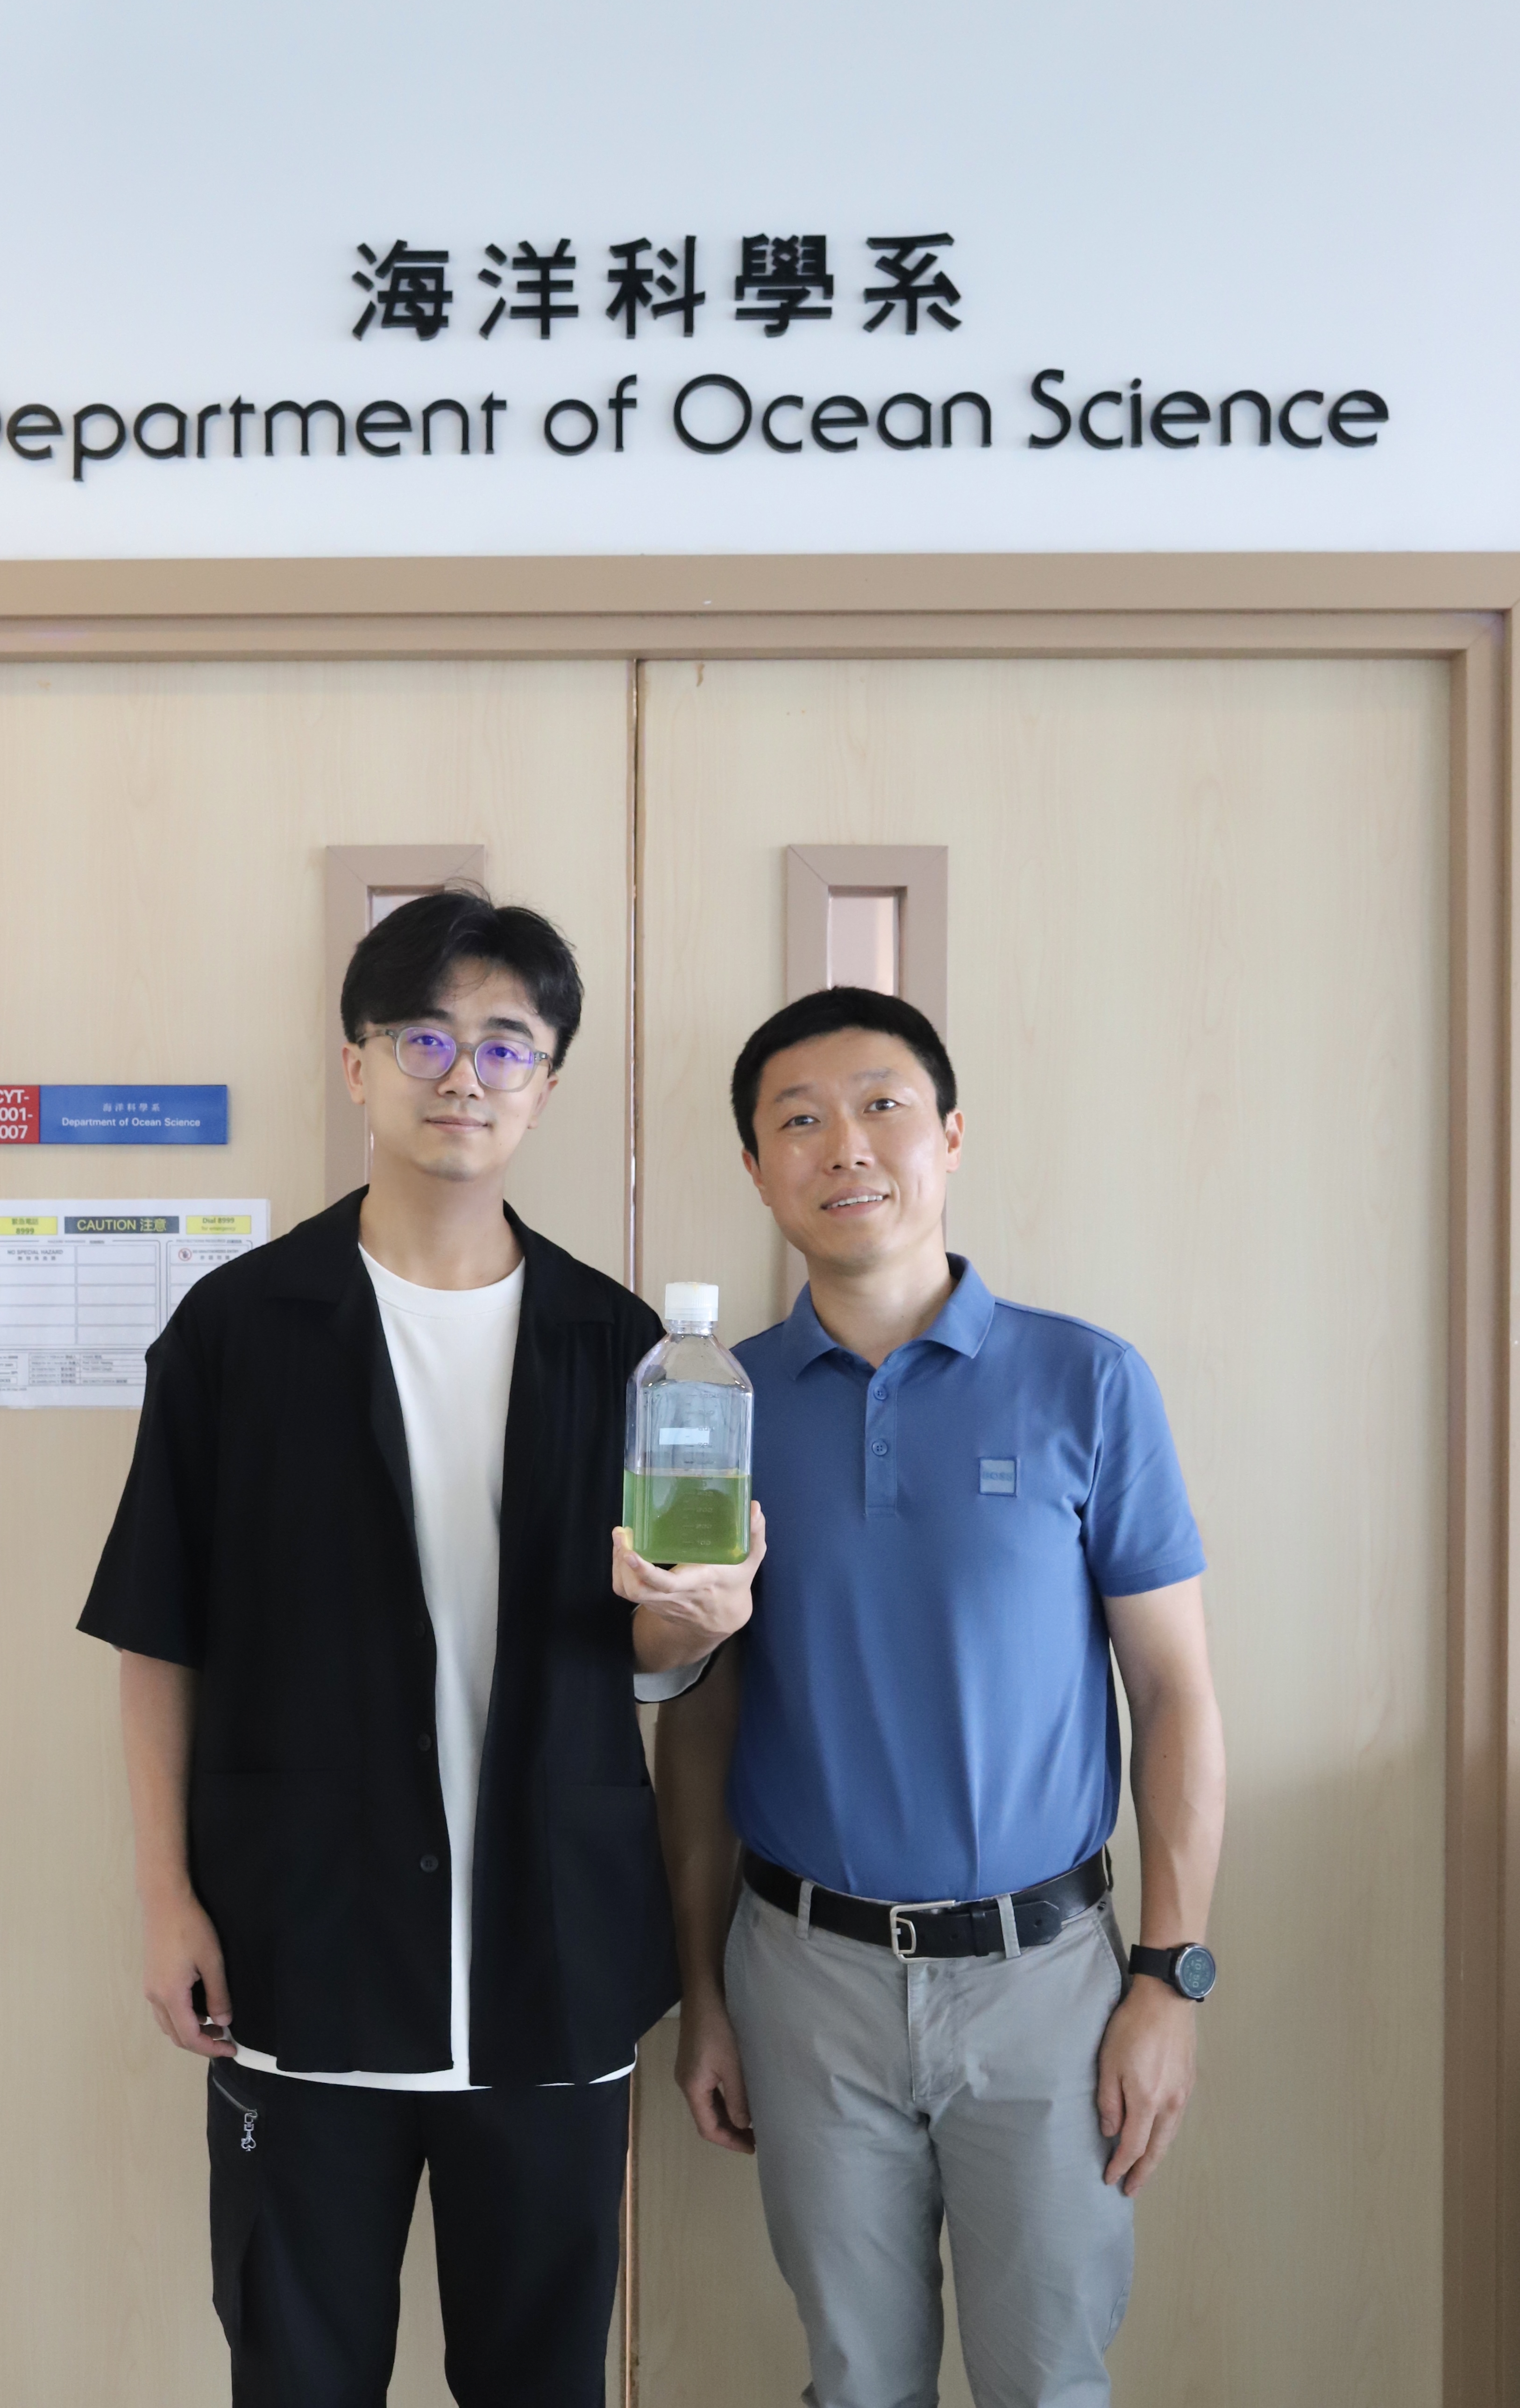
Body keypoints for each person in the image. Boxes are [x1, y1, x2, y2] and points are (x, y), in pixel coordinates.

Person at [78, 891, 756, 2408]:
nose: (467, 1073)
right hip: (297, 1960)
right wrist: (165, 1896)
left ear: (550, 1084)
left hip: (552, 1968)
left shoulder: (621, 1342)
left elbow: (637, 1643)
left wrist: (694, 1621)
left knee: (540, 2380)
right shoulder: (241, 1331)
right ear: (359, 1064)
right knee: (299, 2374)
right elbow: (156, 1636)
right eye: (429, 1037)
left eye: (507, 1045)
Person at [645, 986, 1227, 2408]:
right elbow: (698, 1714)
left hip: (1049, 1983)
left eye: (882, 1106)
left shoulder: (1086, 1383)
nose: (845, 1145)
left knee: (1048, 2380)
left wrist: (1170, 1974)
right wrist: (704, 1993)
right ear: (758, 1169)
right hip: (805, 1977)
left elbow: (1176, 1694)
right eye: (799, 1120)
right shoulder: (715, 1404)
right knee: (857, 2382)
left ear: (950, 1135)